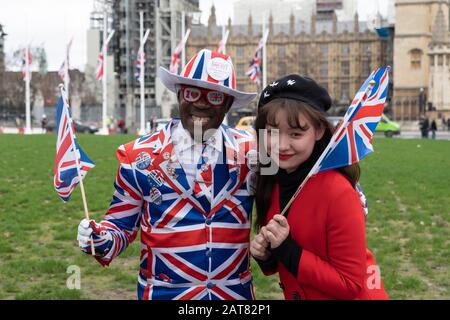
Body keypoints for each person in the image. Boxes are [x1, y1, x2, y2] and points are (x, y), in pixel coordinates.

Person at [77, 49, 258, 300]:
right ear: (179, 94)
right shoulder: (138, 157)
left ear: (227, 103)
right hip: (166, 294)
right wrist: (99, 238)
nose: (201, 103)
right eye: (192, 92)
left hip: (233, 297)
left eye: (214, 96)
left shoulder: (253, 152)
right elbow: (121, 225)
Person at [250, 74, 388, 300]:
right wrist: (266, 255)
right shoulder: (272, 181)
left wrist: (286, 249)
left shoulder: (338, 191)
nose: (282, 145)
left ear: (319, 131)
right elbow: (284, 264)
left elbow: (350, 284)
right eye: (273, 133)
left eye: (296, 133)